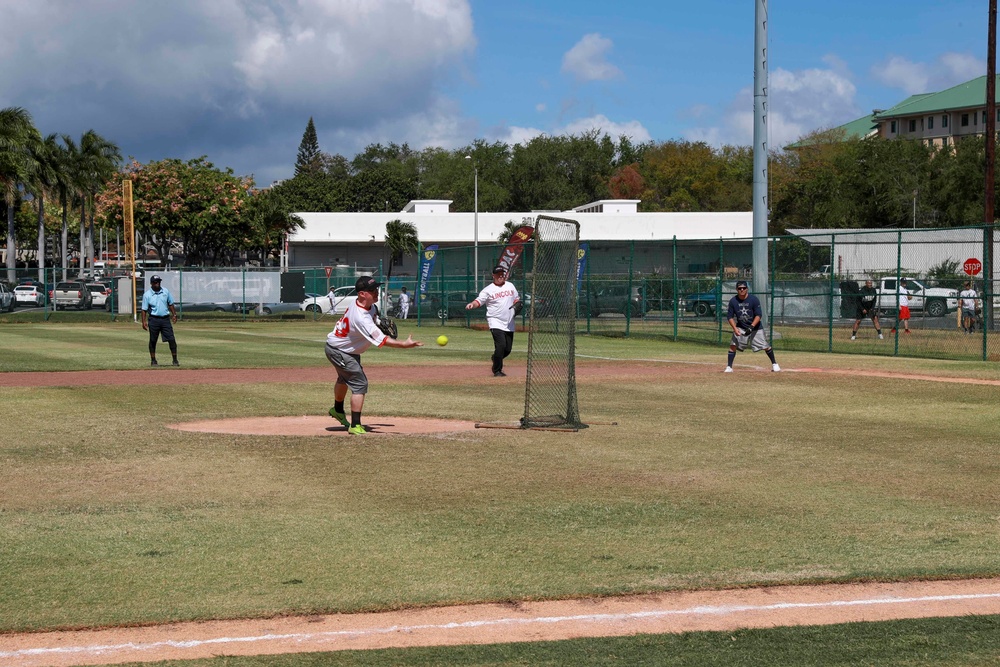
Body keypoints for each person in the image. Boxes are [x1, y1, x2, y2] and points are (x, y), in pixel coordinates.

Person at [326, 276, 422, 435]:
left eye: (376, 288)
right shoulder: (361, 317)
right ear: (362, 294)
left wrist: (379, 322)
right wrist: (404, 344)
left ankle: (337, 410)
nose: (376, 292)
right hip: (340, 351)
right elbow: (383, 340)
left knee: (345, 378)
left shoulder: (367, 306)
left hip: (343, 349)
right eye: (372, 290)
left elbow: (374, 318)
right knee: (360, 384)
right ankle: (355, 425)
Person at [466, 265, 520, 377]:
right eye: (498, 274)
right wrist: (472, 304)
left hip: (509, 322)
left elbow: (516, 299)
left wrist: (517, 304)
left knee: (507, 349)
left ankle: (496, 358)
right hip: (495, 321)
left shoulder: (510, 286)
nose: (501, 276)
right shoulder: (488, 290)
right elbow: (479, 301)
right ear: (493, 276)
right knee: (500, 346)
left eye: (502, 274)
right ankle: (497, 370)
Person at [724, 280, 780, 373]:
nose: (742, 290)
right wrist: (735, 329)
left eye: (744, 288)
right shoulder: (733, 301)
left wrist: (751, 326)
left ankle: (775, 364)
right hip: (741, 327)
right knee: (733, 345)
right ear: (736, 289)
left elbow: (759, 315)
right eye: (739, 288)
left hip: (755, 327)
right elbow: (730, 317)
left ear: (747, 289)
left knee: (765, 346)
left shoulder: (753, 299)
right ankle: (729, 367)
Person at [140, 274, 179, 366]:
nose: (157, 283)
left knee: (171, 339)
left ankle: (175, 360)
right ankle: (153, 360)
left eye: (158, 282)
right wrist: (143, 322)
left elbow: (170, 303)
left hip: (165, 319)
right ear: (151, 283)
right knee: (153, 340)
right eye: (155, 282)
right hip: (154, 319)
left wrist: (174, 314)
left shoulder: (165, 291)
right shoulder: (147, 295)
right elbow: (144, 310)